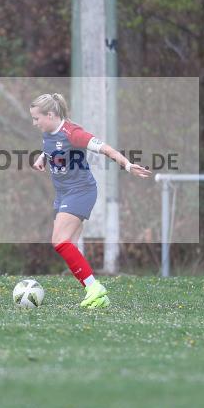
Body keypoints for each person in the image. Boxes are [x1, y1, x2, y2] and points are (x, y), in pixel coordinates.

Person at [30, 93, 152, 308]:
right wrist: (42, 158)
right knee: (69, 246)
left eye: (36, 118)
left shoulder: (73, 133)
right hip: (63, 193)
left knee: (60, 242)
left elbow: (106, 149)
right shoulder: (49, 131)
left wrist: (128, 165)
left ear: (50, 115)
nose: (34, 123)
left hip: (80, 191)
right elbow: (51, 146)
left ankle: (95, 288)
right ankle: (97, 296)